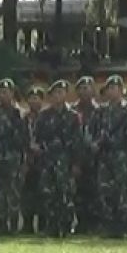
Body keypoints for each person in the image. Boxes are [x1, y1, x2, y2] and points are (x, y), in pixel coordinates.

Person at [90, 75, 127, 239]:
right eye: (109, 89)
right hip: (106, 155)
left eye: (114, 88)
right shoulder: (100, 111)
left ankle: (121, 226)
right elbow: (90, 131)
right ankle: (108, 225)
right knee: (105, 190)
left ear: (121, 90)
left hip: (122, 155)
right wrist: (93, 144)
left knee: (123, 190)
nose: (111, 91)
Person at [0, 78, 28, 238]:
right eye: (0, 92)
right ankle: (2, 225)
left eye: (6, 92)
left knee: (13, 193)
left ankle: (14, 225)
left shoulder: (19, 113)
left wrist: (24, 161)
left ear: (12, 93)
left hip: (14, 157)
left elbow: (25, 139)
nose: (3, 95)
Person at [33, 80, 79, 238]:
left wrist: (76, 163)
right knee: (48, 194)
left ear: (65, 94)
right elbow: (36, 138)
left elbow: (78, 141)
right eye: (54, 93)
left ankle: (66, 226)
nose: (58, 96)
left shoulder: (73, 116)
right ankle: (51, 226)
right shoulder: (44, 116)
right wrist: (37, 149)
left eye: (61, 92)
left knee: (65, 194)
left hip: (65, 161)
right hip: (47, 160)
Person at [71, 77, 100, 234]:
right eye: (81, 88)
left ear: (93, 90)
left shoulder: (100, 111)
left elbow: (104, 131)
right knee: (78, 192)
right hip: (78, 157)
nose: (84, 91)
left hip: (96, 158)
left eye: (87, 88)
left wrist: (97, 144)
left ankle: (94, 223)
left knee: (95, 191)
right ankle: (81, 223)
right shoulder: (72, 111)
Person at [20, 86, 45, 235]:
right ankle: (27, 224)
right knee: (26, 194)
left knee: (43, 192)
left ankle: (43, 224)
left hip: (43, 161)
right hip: (26, 160)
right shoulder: (23, 118)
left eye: (37, 98)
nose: (33, 101)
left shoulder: (47, 116)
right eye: (31, 98)